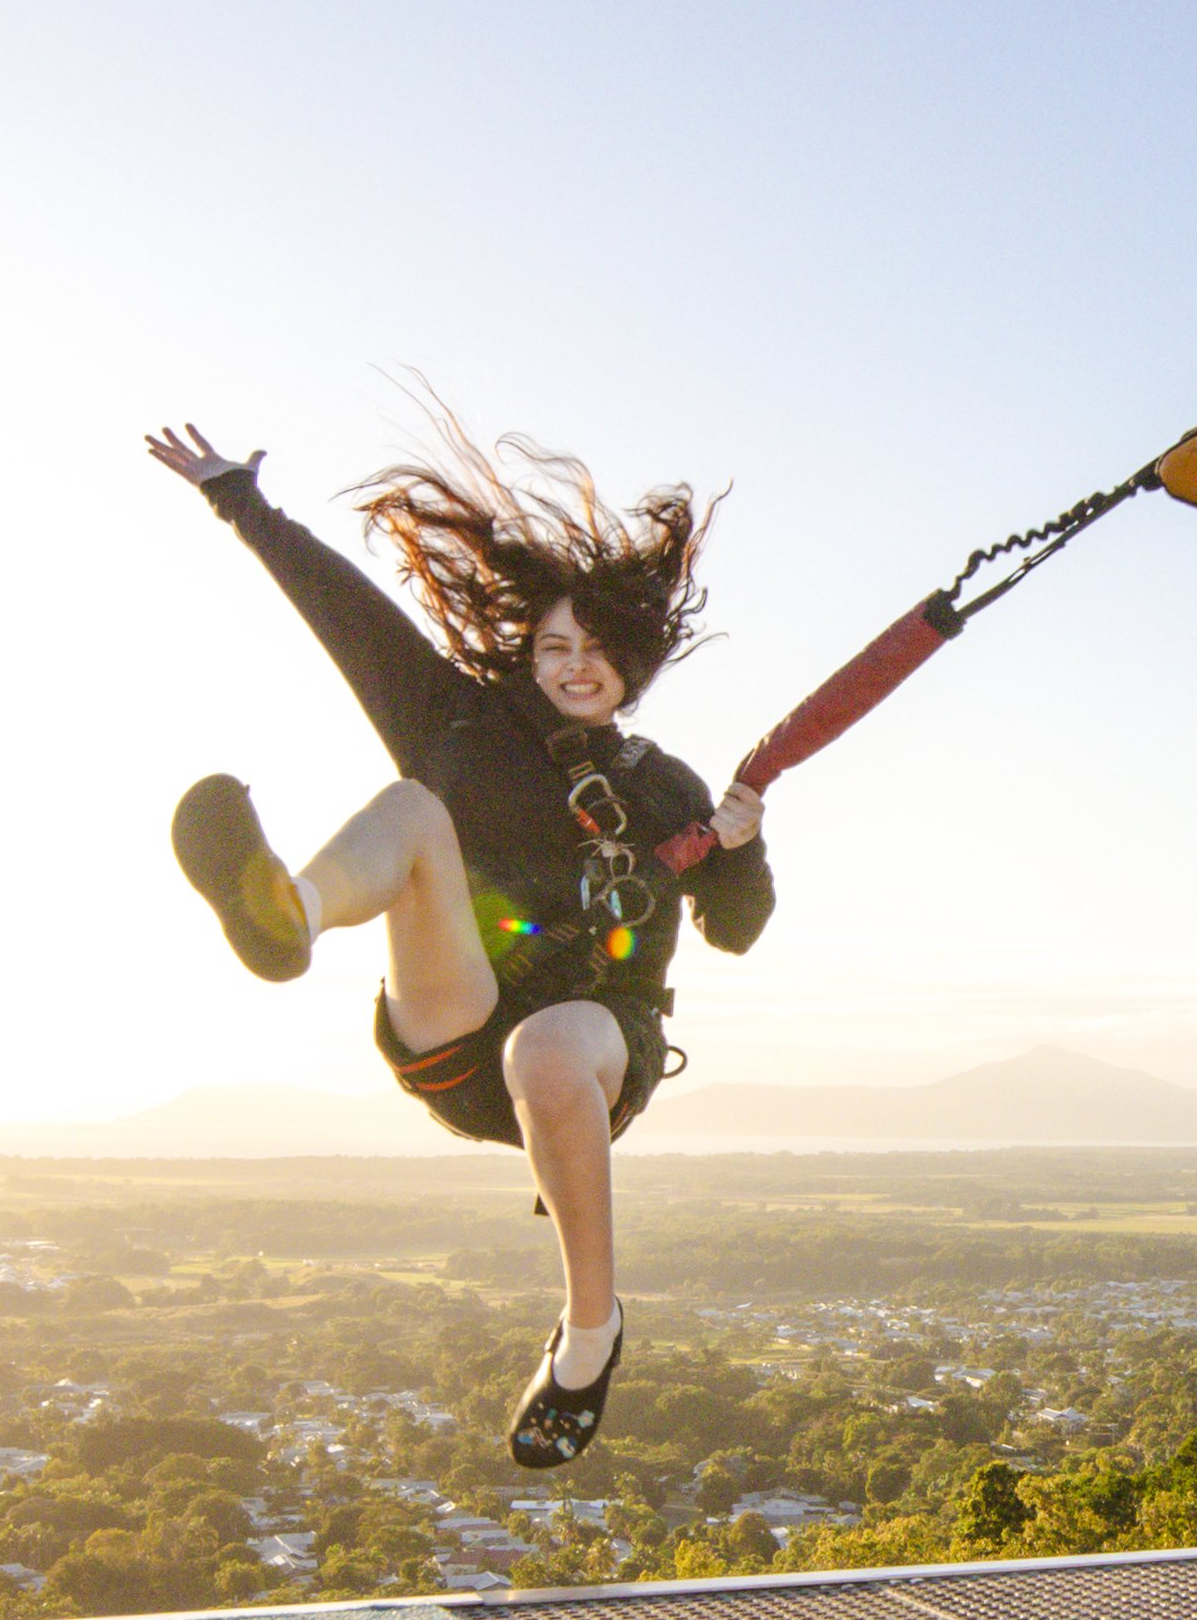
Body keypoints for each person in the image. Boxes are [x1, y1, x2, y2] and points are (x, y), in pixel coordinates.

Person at [144, 408, 775, 1469]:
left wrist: (741, 845)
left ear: (635, 662)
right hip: (456, 1024)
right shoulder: (458, 721)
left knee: (548, 1049)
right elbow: (349, 617)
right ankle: (285, 916)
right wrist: (239, 501)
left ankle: (589, 1333)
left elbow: (738, 930)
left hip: (589, 1045)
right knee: (413, 811)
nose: (574, 666)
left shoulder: (664, 788)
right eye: (554, 647)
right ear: (527, 651)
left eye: (597, 650)